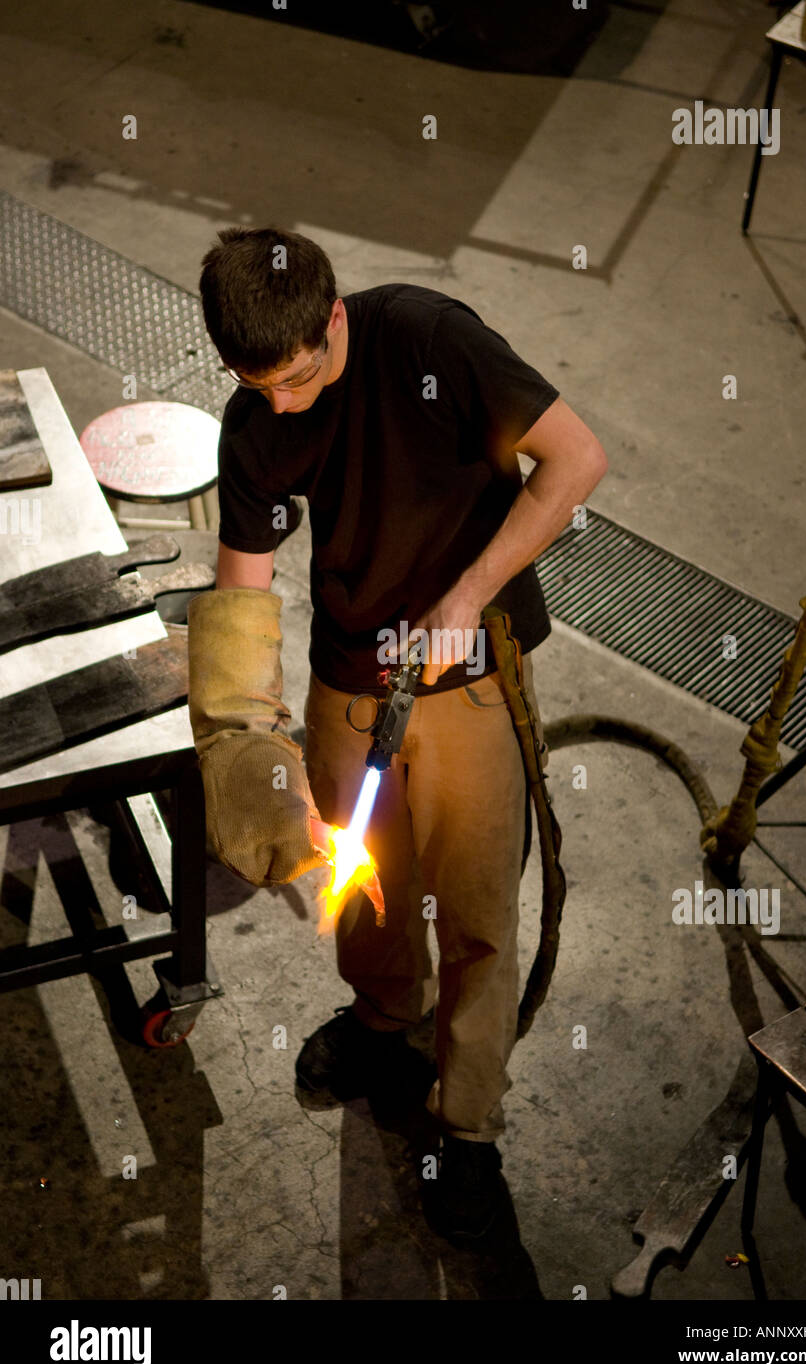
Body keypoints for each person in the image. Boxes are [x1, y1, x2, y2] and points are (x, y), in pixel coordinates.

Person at [191, 226, 607, 1240]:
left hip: (465, 680)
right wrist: (245, 751)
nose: (283, 404)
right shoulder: (252, 424)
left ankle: (465, 1122)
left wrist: (468, 595)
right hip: (349, 674)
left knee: (474, 912)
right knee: (363, 879)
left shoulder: (426, 339)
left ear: (334, 319)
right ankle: (383, 1018)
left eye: (297, 376)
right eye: (259, 385)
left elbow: (573, 458)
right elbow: (243, 593)